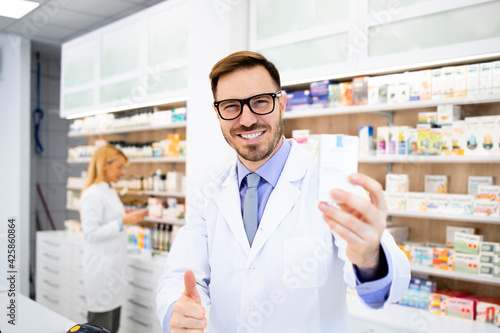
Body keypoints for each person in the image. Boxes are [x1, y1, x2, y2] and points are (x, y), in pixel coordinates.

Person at [156, 51, 411, 332]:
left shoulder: (331, 184)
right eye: (231, 107)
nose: (247, 119)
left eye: (260, 102)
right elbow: (180, 275)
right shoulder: (209, 192)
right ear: (218, 113)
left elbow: (389, 288)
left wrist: (371, 259)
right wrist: (176, 313)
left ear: (282, 104)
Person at [80, 144, 148, 333]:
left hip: (113, 271)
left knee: (112, 327)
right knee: (100, 327)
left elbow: (112, 222)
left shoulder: (109, 191)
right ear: (104, 165)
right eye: (119, 167)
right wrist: (122, 221)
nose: (123, 172)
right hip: (101, 272)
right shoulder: (92, 193)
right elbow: (91, 233)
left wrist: (126, 220)